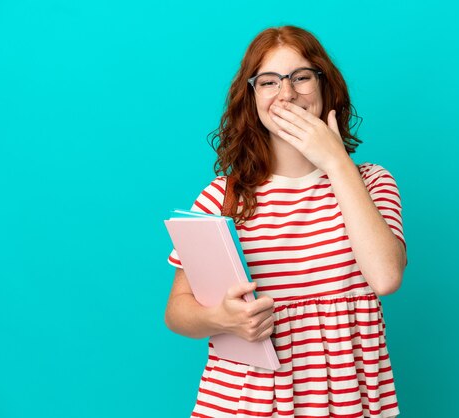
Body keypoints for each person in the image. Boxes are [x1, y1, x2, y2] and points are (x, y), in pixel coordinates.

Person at [164, 25, 407, 417]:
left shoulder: (372, 182)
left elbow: (386, 277)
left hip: (347, 402)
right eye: (269, 81)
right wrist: (220, 318)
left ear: (326, 87)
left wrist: (334, 161)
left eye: (302, 77)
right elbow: (177, 310)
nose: (287, 92)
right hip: (245, 402)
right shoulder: (223, 197)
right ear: (253, 96)